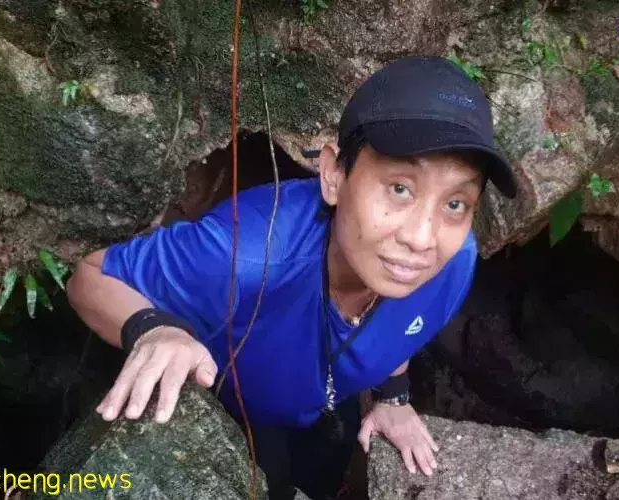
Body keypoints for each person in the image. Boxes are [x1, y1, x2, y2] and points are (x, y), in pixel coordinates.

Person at [66, 55, 518, 500]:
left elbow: (405, 325)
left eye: (455, 203)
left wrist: (393, 397)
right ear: (333, 175)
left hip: (329, 403)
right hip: (239, 407)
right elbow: (90, 275)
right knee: (273, 479)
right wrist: (155, 329)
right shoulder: (247, 254)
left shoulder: (452, 260)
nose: (422, 239)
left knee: (326, 468)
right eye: (399, 188)